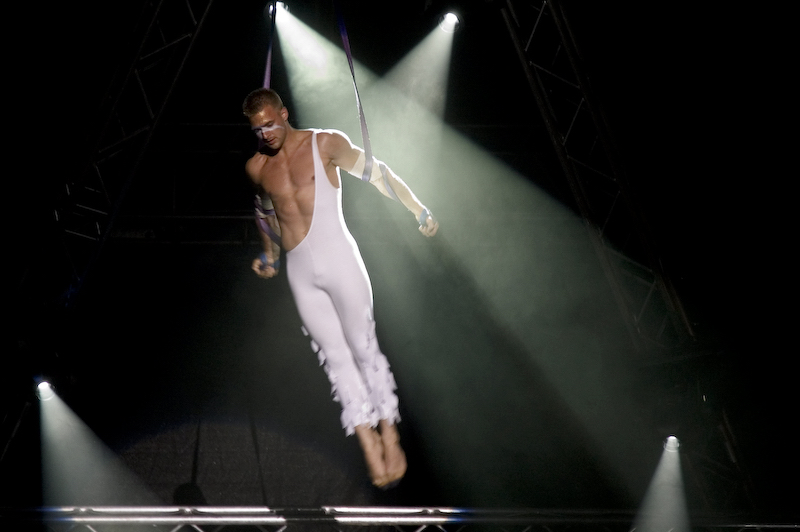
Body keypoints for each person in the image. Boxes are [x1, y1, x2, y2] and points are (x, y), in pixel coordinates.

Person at [242, 88, 438, 488]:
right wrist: (272, 257)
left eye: (270, 124)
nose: (265, 134)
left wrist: (418, 209)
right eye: (257, 130)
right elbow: (265, 213)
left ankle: (390, 435)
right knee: (335, 359)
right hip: (301, 271)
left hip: (340, 259)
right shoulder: (257, 167)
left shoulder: (325, 143)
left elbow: (378, 173)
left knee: (364, 348)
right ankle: (367, 443)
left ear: (284, 113)